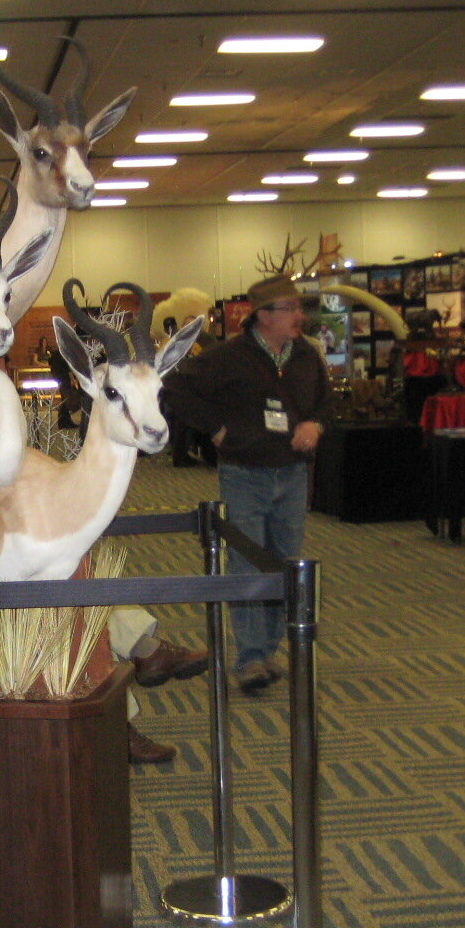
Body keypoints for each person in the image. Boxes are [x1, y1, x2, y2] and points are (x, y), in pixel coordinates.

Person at [164, 275, 331, 695]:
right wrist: (216, 430)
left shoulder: (306, 355)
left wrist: (315, 423)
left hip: (292, 473)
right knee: (247, 564)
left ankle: (269, 650)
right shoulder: (227, 357)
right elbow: (174, 390)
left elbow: (325, 400)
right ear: (263, 316)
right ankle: (250, 657)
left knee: (284, 562)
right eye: (290, 308)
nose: (299, 315)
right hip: (244, 474)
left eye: (298, 307)